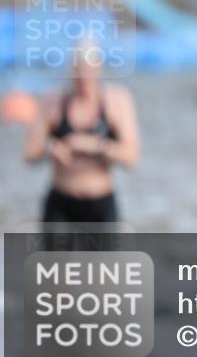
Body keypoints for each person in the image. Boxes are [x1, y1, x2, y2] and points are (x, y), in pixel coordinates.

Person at [23, 39, 140, 224]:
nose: (84, 77)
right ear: (71, 69)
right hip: (62, 200)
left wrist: (96, 146)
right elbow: (29, 153)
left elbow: (131, 157)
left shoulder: (117, 101)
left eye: (89, 70)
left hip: (100, 202)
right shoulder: (53, 101)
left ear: (99, 68)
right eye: (79, 70)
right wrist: (51, 150)